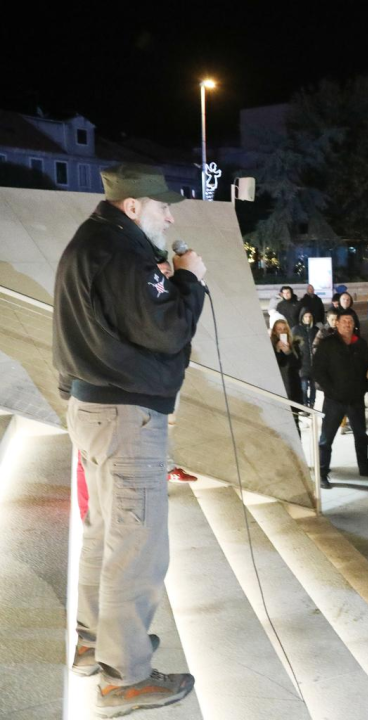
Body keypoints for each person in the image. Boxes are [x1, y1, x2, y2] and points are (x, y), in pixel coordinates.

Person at [54, 163, 202, 711]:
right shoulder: (123, 254)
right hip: (125, 416)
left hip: (92, 407)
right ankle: (125, 676)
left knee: (104, 533)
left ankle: (94, 644)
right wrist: (190, 280)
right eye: (162, 206)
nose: (170, 217)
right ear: (133, 206)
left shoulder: (91, 242)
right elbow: (168, 330)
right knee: (137, 546)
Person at [314, 314, 368, 488]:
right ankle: (322, 472)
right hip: (334, 401)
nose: (348, 324)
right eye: (344, 321)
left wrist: (364, 388)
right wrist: (331, 390)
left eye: (350, 321)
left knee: (361, 435)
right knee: (326, 439)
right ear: (336, 323)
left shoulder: (360, 343)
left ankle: (365, 467)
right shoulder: (328, 344)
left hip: (355, 400)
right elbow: (318, 370)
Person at [293, 310, 318, 408]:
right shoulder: (297, 329)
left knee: (313, 386)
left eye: (310, 316)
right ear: (302, 317)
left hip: (314, 363)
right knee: (303, 386)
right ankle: (304, 404)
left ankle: (311, 404)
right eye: (306, 316)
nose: (308, 319)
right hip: (302, 363)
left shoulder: (315, 330)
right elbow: (293, 345)